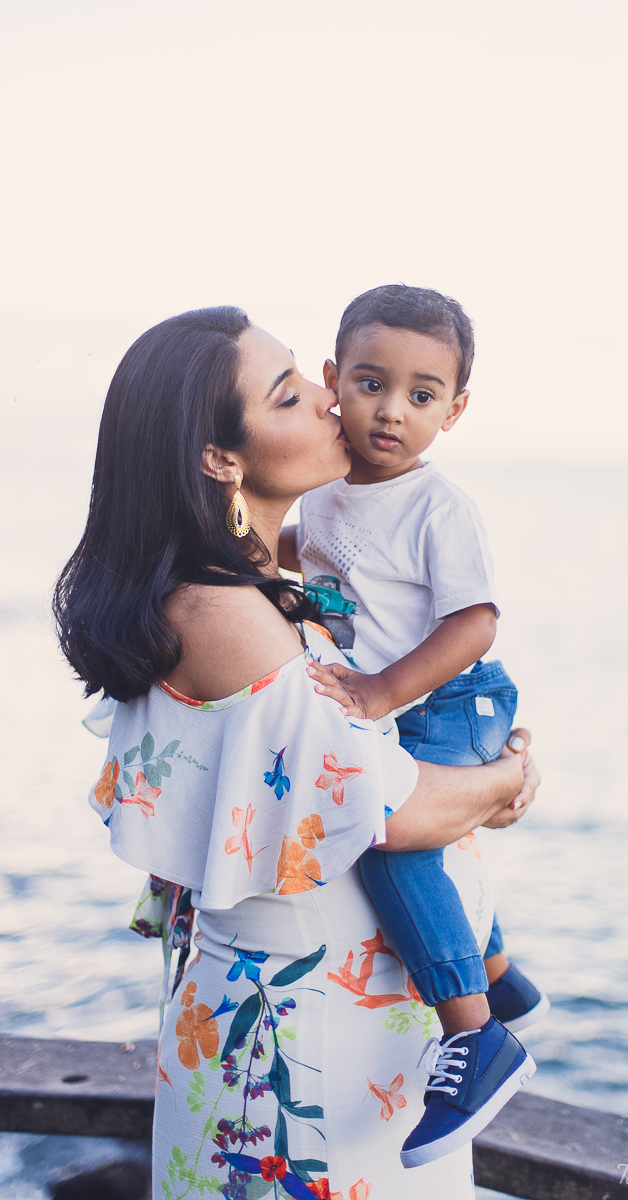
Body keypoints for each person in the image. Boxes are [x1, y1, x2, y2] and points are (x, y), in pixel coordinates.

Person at [54, 307, 540, 1199]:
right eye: (291, 395)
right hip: (299, 1055)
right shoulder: (224, 616)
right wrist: (508, 777)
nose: (331, 403)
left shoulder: (258, 588)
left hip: (339, 1027)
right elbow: (387, 810)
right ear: (220, 459)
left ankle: (494, 986)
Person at [279, 285, 547, 1167]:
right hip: (396, 699)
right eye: (370, 383)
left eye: (421, 395)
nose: (391, 411)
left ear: (454, 410)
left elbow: (475, 622)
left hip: (453, 696)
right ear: (332, 383)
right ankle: (500, 977)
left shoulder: (439, 506)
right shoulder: (321, 497)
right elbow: (315, 578)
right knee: (411, 827)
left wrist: (382, 690)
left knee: (389, 833)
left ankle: (474, 1034)